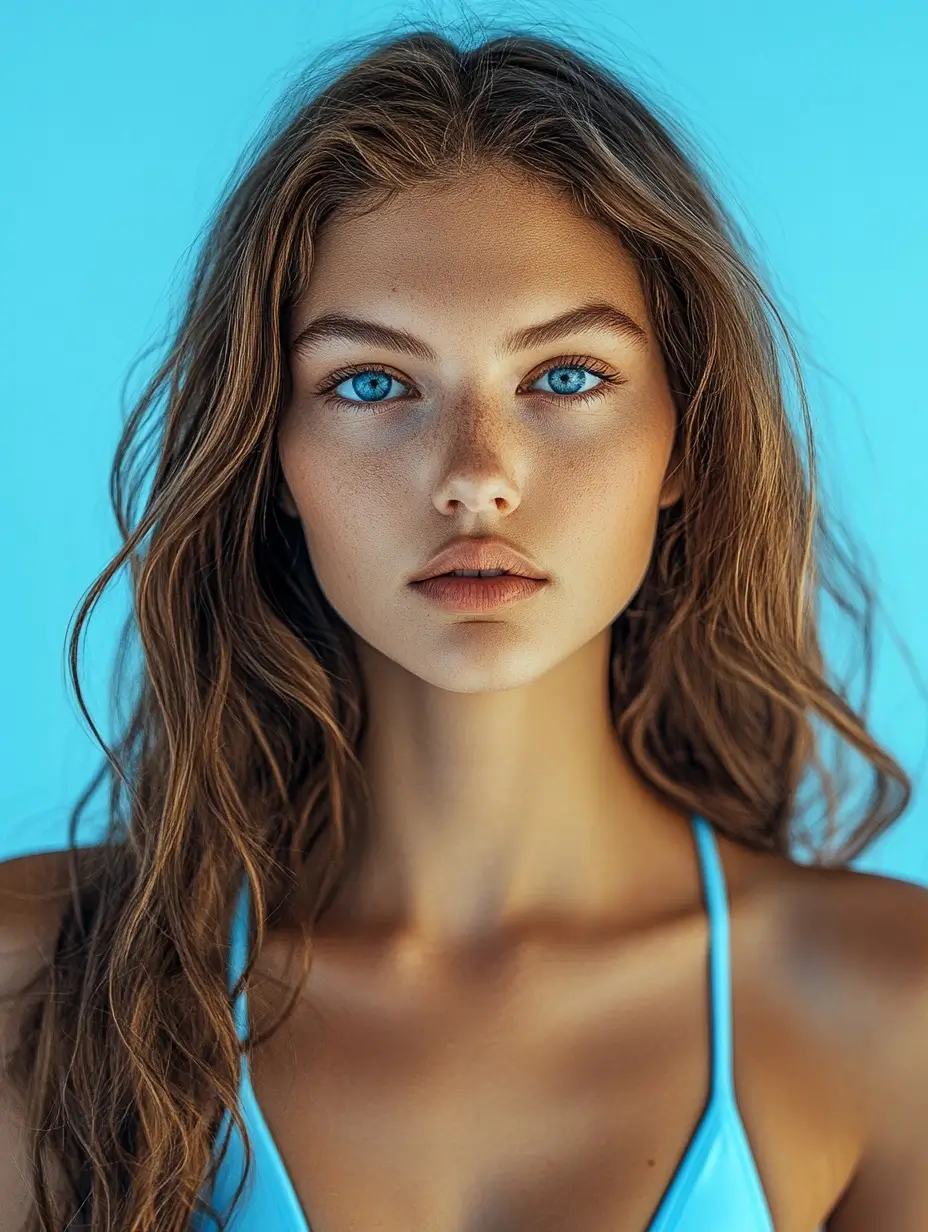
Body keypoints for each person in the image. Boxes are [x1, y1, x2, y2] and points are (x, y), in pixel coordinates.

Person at [2, 18, 926, 1232]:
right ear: (270, 455)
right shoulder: (36, 983)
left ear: (682, 440)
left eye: (564, 376)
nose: (474, 477)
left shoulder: (889, 1011)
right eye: (372, 383)